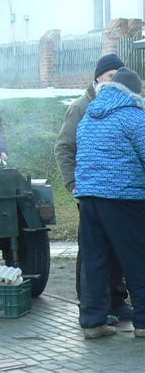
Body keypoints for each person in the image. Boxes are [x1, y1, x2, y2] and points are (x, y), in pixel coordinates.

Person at [54, 53, 132, 322]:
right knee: (91, 252)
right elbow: (64, 147)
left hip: (115, 188)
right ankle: (88, 303)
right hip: (88, 188)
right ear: (99, 77)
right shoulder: (81, 106)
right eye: (110, 77)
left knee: (116, 248)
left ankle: (115, 299)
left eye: (117, 77)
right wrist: (73, 184)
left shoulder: (123, 105)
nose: (114, 82)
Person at [75, 67, 145, 339]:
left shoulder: (89, 116)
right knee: (137, 259)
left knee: (95, 261)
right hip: (124, 198)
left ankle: (93, 322)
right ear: (134, 93)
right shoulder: (134, 117)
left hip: (89, 199)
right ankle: (143, 322)